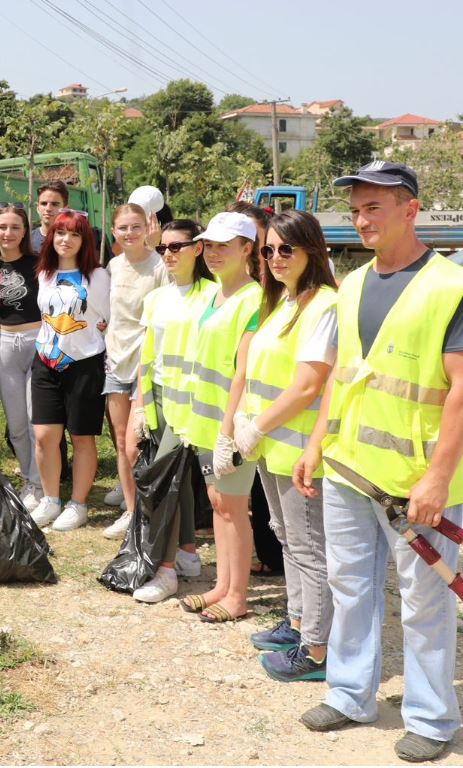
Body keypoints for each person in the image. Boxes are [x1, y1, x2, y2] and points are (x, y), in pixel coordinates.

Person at [294, 162, 463, 763]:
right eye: (356, 210)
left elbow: (461, 391)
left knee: (423, 602)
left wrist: (439, 477)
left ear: (410, 210)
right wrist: (318, 442)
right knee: (350, 585)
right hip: (349, 470)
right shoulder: (355, 283)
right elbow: (344, 375)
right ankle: (349, 694)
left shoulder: (450, 286)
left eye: (374, 209)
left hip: (416, 482)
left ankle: (432, 718)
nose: (361, 220)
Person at [232, 209, 337, 681]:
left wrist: (255, 427)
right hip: (273, 445)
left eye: (285, 249)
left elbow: (307, 386)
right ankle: (298, 623)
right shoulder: (286, 302)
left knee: (309, 546)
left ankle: (317, 650)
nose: (275, 257)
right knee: (286, 536)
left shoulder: (324, 305)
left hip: (298, 449)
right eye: (268, 250)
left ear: (311, 249)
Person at [173, 212, 262, 623]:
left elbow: (243, 371)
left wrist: (228, 431)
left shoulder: (254, 298)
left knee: (232, 506)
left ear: (248, 249)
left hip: (228, 426)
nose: (212, 252)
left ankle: (237, 596)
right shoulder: (213, 294)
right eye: (208, 245)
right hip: (207, 424)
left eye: (223, 245)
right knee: (218, 503)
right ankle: (222, 586)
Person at [125, 220, 216, 603]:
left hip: (195, 402)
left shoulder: (214, 295)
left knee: (164, 482)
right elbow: (149, 355)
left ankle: (165, 572)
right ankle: (187, 552)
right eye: (163, 248)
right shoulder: (158, 298)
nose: (168, 254)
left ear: (198, 248)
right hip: (160, 399)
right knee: (173, 478)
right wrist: (141, 404)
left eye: (176, 246)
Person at [28, 210, 111, 531]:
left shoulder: (99, 276)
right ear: (52, 237)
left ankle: (78, 504)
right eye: (60, 233)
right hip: (46, 361)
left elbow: (108, 318)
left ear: (84, 240)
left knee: (82, 437)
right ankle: (50, 499)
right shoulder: (44, 273)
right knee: (44, 435)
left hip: (85, 363)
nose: (66, 240)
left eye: (74, 234)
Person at [100, 203, 169, 541]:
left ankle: (151, 511)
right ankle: (130, 512)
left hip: (147, 364)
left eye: (136, 226)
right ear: (114, 231)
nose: (129, 233)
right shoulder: (112, 266)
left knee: (140, 444)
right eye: (123, 227)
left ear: (147, 227)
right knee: (120, 438)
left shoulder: (159, 265)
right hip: (116, 360)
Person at [227, 201, 286, 578]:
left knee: (270, 495)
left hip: (276, 402)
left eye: (251, 233)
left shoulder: (279, 280)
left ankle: (272, 555)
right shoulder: (237, 280)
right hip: (243, 397)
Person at [0, 202, 43, 508]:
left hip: (37, 342)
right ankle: (31, 483)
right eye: (2, 226)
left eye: (15, 227)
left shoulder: (39, 263)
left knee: (36, 422)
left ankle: (43, 483)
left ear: (25, 231)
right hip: (5, 344)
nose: (8, 233)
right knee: (17, 424)